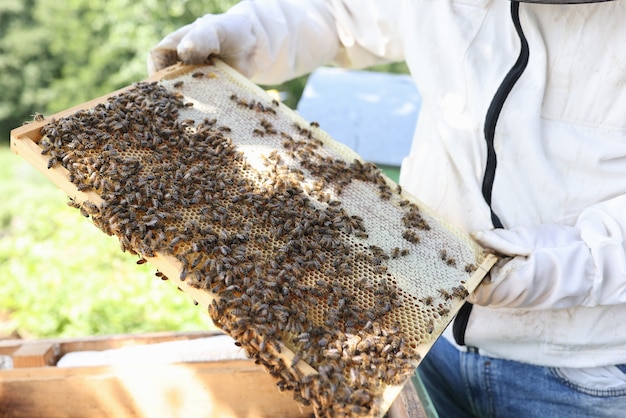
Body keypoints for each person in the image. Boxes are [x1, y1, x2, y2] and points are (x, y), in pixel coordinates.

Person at [148, 1, 626, 416]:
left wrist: (579, 262)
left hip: (583, 367)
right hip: (419, 329)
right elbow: (340, 11)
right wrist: (247, 31)